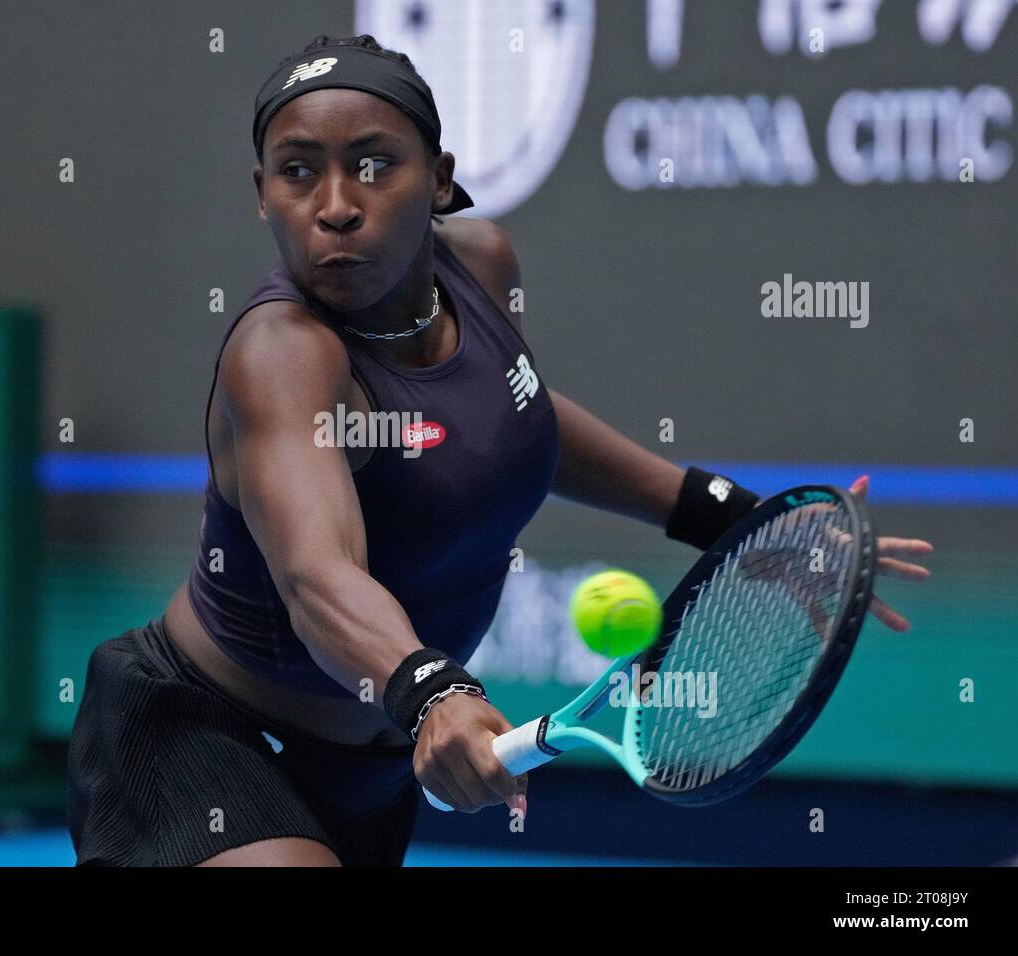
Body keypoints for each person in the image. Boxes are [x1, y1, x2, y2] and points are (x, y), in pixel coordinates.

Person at [67, 33, 933, 867]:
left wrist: (735, 524)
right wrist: (434, 690)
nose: (335, 204)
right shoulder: (285, 356)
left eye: (374, 165)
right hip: (201, 741)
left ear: (440, 181)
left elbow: (510, 423)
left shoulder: (479, 265)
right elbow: (316, 576)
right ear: (263, 193)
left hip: (371, 771)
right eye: (298, 172)